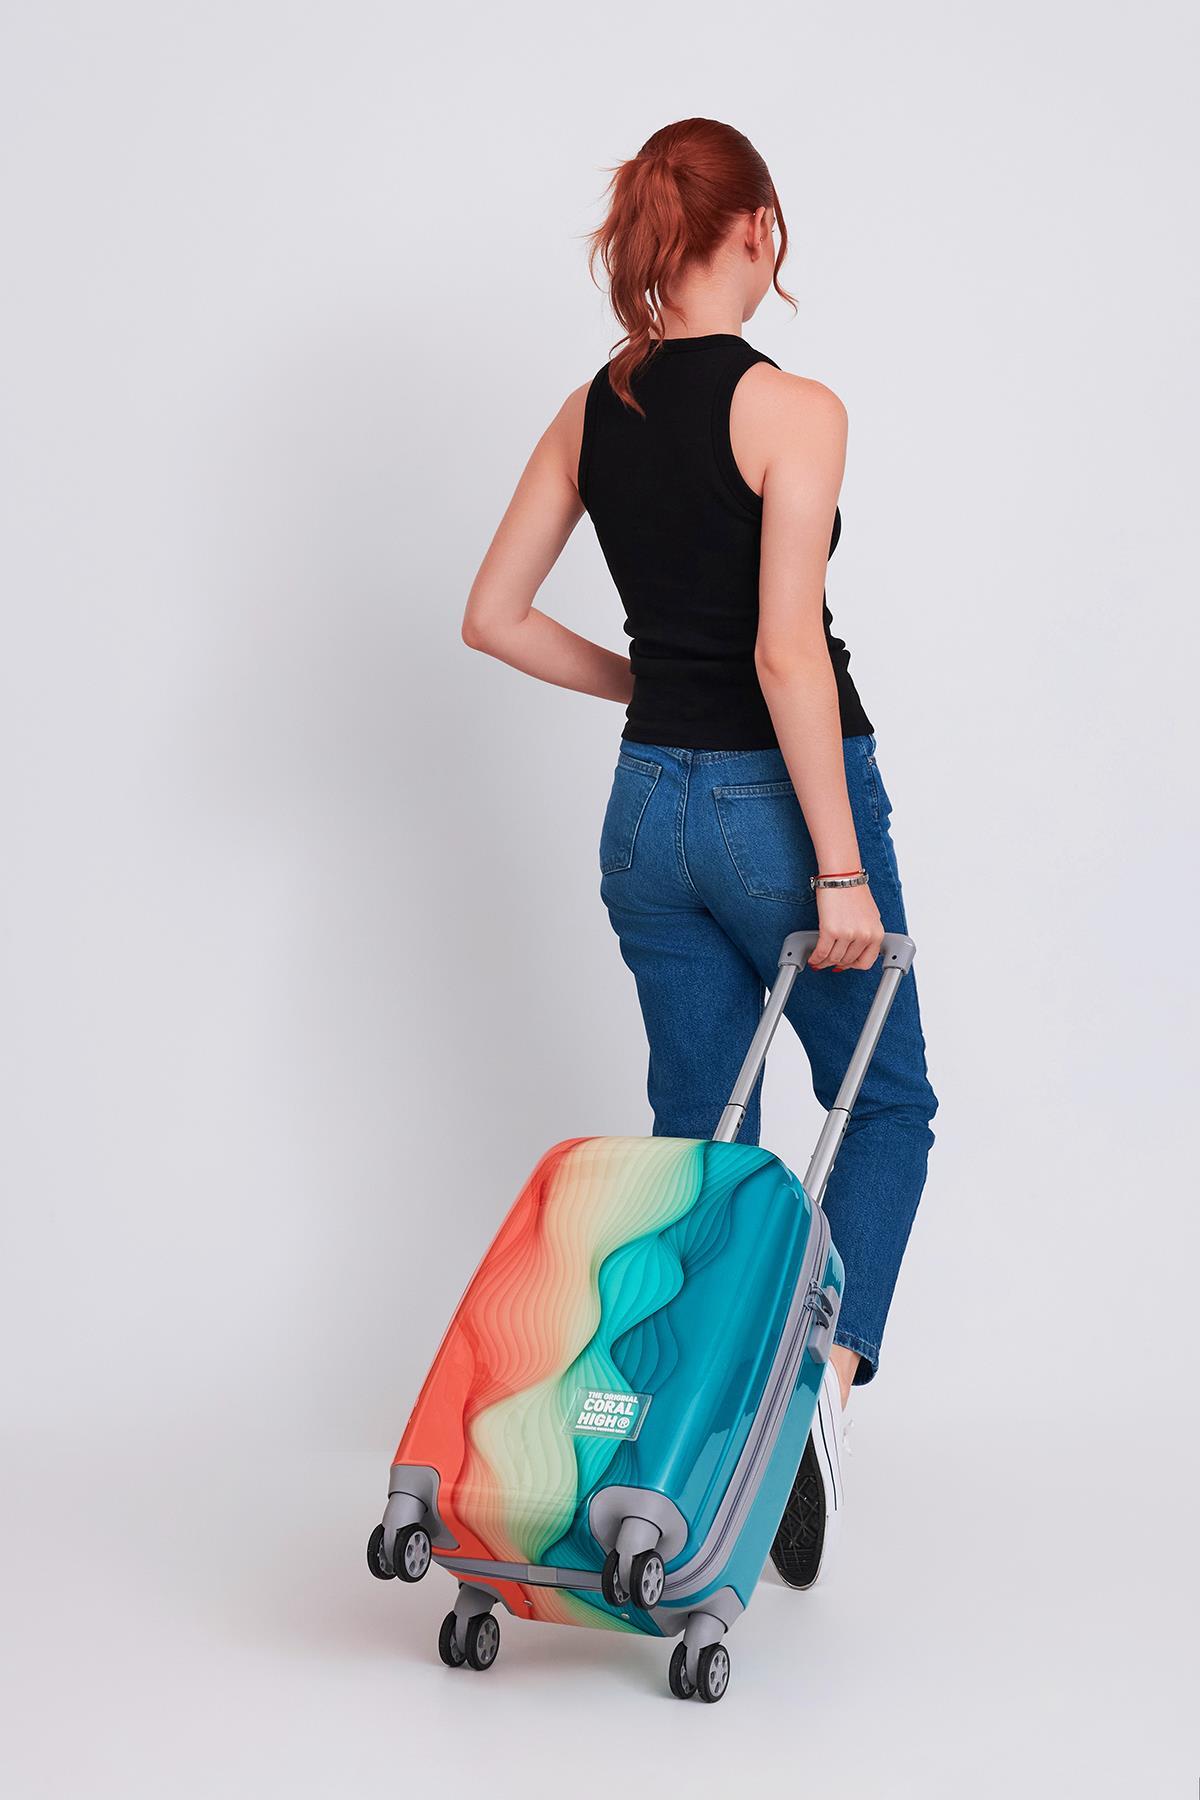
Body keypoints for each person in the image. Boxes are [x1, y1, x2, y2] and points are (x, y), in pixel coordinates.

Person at [461, 116, 938, 1589]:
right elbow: (789, 655)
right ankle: (813, 1394)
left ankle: (674, 1452)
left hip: (644, 814)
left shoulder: (590, 409)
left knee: (701, 1146)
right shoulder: (796, 409)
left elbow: (493, 615)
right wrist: (840, 870)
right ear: (762, 232)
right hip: (776, 809)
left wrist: (648, 686)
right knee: (889, 1101)